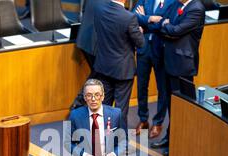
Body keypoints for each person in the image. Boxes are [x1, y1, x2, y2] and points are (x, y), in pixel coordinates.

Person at [150, 0, 205, 156]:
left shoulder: (196, 8)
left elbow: (175, 31)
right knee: (170, 103)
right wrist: (166, 26)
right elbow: (164, 23)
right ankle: (170, 136)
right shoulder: (176, 5)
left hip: (182, 65)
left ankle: (179, 143)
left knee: (181, 107)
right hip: (169, 61)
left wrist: (167, 27)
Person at [93, 0, 145, 131]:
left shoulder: (98, 8)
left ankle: (102, 142)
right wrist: (139, 31)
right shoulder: (129, 17)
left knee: (104, 107)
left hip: (104, 66)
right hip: (123, 71)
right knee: (120, 110)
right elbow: (140, 43)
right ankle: (119, 145)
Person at [133, 0, 173, 139]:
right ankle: (143, 119)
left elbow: (167, 23)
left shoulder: (173, 2)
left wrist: (145, 23)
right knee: (141, 86)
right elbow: (134, 16)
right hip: (143, 49)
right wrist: (149, 19)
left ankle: (158, 122)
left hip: (160, 50)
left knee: (162, 88)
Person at [70, 0, 110, 109]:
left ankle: (80, 104)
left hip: (85, 38)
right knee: (99, 73)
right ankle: (78, 103)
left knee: (97, 73)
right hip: (95, 43)